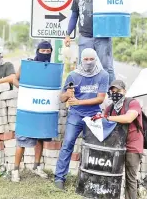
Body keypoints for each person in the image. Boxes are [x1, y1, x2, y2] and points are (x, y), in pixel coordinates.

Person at [54, 48, 109, 190]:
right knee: (67, 145)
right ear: (81, 60)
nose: (89, 62)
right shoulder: (73, 75)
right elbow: (62, 98)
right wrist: (67, 94)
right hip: (75, 115)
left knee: (93, 148)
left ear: (96, 59)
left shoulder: (103, 75)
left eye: (91, 59)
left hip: (93, 116)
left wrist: (79, 101)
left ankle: (89, 179)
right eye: (86, 59)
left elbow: (100, 99)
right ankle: (59, 179)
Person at [64, 0, 115, 85]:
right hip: (85, 37)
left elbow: (112, 12)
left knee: (107, 66)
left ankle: (113, 93)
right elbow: (74, 16)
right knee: (83, 67)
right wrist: (68, 34)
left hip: (102, 36)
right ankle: (83, 93)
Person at [11, 41, 53, 182]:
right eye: (43, 50)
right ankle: (15, 170)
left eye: (48, 51)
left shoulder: (51, 68)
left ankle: (36, 166)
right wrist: (24, 88)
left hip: (42, 109)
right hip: (28, 108)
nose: (45, 53)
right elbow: (14, 79)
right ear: (37, 51)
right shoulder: (28, 65)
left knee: (40, 138)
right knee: (22, 140)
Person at [104, 80, 144, 199]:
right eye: (113, 91)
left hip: (133, 145)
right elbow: (103, 123)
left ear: (125, 91)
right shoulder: (110, 108)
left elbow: (128, 118)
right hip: (116, 146)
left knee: (130, 179)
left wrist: (108, 118)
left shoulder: (132, 103)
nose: (115, 94)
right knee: (112, 176)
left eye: (118, 91)